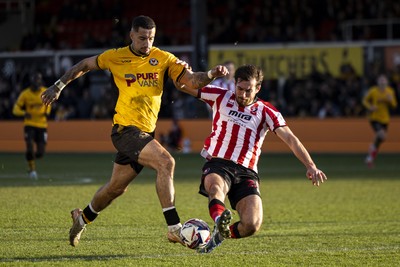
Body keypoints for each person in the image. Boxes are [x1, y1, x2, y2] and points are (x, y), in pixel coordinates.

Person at [41, 15, 228, 247]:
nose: (147, 43)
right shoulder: (116, 57)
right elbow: (84, 65)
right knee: (166, 162)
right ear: (131, 35)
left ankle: (82, 219)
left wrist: (211, 75)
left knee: (115, 189)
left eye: (150, 38)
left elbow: (192, 80)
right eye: (142, 38)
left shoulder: (164, 58)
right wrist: (58, 86)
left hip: (144, 134)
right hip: (125, 130)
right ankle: (174, 228)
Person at [176, 64, 327, 253]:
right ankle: (218, 220)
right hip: (218, 163)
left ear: (258, 88)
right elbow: (182, 85)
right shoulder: (220, 96)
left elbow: (290, 138)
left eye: (249, 90)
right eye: (240, 89)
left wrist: (310, 165)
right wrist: (204, 74)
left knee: (252, 224)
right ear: (235, 84)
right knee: (216, 188)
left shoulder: (266, 111)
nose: (243, 95)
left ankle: (220, 234)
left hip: (247, 172)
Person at [12, 71, 51, 180]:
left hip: (42, 125)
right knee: (29, 146)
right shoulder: (25, 94)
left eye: (38, 80)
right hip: (29, 124)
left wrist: (47, 112)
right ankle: (32, 169)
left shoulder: (45, 91)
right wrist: (24, 113)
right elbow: (15, 109)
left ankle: (30, 158)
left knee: (40, 153)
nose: (37, 82)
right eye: (35, 80)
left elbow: (50, 102)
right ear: (31, 81)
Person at [362, 74, 398, 167]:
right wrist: (370, 107)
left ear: (387, 82)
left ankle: (370, 157)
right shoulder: (373, 91)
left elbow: (394, 105)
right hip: (374, 118)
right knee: (381, 135)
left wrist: (391, 100)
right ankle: (371, 152)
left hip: (385, 119)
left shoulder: (390, 92)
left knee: (382, 138)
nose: (382, 82)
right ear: (377, 82)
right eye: (380, 80)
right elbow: (364, 101)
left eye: (384, 80)